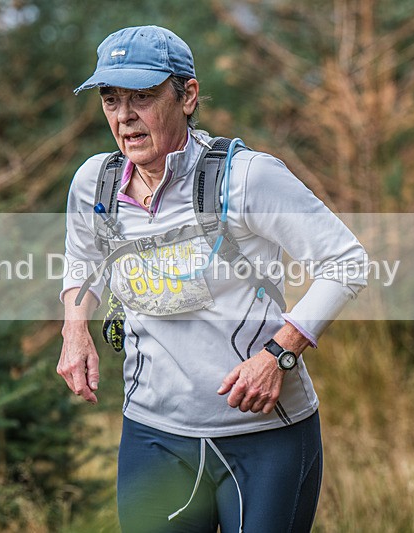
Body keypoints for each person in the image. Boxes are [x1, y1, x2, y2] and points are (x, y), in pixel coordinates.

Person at [58, 25, 367, 532]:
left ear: (188, 95)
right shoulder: (96, 181)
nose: (125, 117)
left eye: (143, 97)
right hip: (152, 434)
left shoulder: (247, 177)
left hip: (262, 437)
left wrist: (280, 353)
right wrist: (75, 329)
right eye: (111, 100)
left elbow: (347, 262)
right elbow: (81, 259)